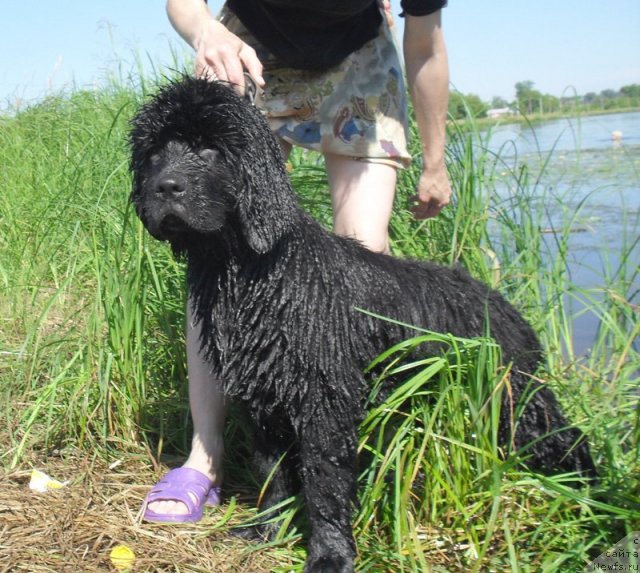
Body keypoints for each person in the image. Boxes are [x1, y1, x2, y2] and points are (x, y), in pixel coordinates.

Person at [143, 0, 451, 522]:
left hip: (357, 55)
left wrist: (435, 161)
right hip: (246, 49)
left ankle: (359, 447)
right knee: (218, 262)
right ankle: (206, 458)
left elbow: (424, 45)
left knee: (363, 257)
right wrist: (205, 32)